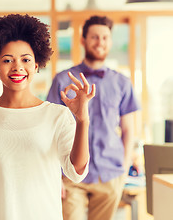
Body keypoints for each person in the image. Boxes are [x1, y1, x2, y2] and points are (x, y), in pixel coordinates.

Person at [0, 14, 95, 220]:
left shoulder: (57, 115)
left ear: (36, 65)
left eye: (26, 59)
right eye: (7, 60)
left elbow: (76, 171)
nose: (17, 67)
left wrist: (82, 120)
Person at [47, 15, 140, 220]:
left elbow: (128, 130)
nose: (100, 42)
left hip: (110, 174)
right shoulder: (63, 80)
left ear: (110, 41)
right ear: (83, 40)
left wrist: (123, 170)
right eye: (95, 37)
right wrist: (55, 176)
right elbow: (51, 131)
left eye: (105, 38)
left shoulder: (122, 83)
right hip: (71, 174)